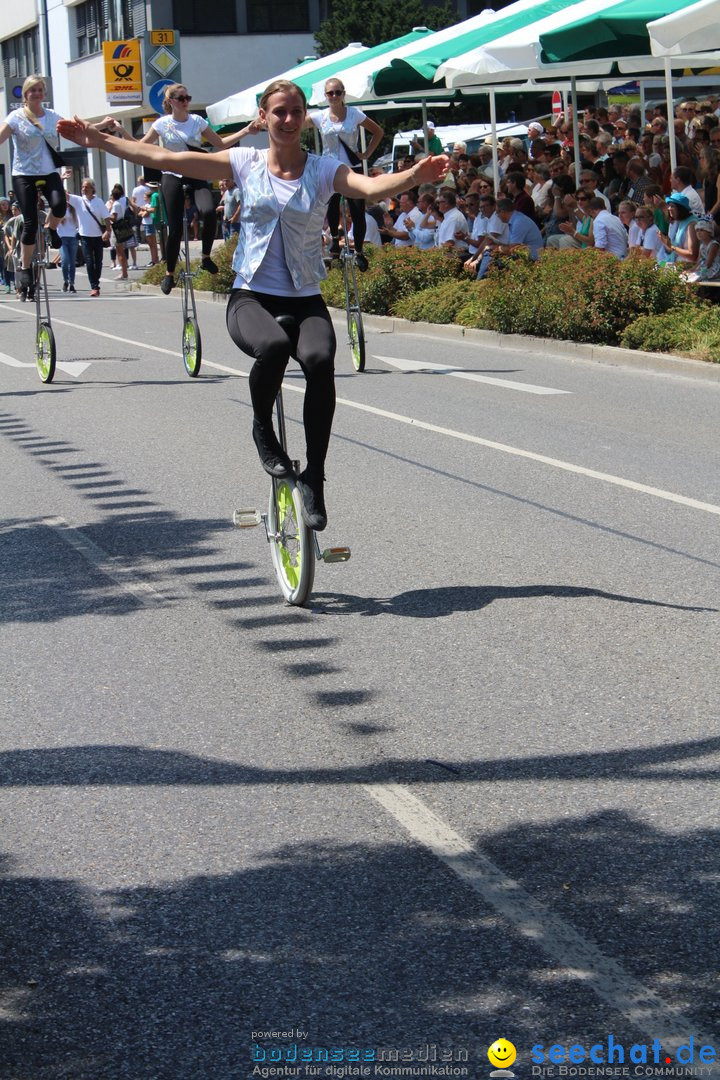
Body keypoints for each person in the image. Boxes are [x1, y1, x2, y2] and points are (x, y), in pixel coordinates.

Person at [58, 80, 448, 532]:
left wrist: (413, 177)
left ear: (306, 118)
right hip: (251, 297)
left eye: (295, 112)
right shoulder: (243, 162)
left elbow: (369, 187)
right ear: (263, 118)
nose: (287, 120)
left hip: (305, 297)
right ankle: (262, 428)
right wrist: (98, 140)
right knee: (277, 347)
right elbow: (162, 158)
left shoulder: (323, 170)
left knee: (320, 358)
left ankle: (315, 478)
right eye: (278, 112)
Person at [126, 84, 257, 295]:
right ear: (170, 102)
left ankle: (206, 257)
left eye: (188, 97)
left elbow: (220, 143)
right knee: (175, 226)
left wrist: (246, 130)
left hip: (195, 170)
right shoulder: (161, 124)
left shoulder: (196, 121)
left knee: (208, 211)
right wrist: (121, 132)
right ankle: (169, 273)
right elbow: (139, 147)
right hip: (171, 172)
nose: (186, 101)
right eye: (181, 98)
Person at [306, 78, 384, 273]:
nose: (333, 96)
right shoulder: (319, 117)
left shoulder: (354, 114)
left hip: (352, 167)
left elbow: (378, 131)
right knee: (330, 205)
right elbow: (295, 127)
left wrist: (366, 154)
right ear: (325, 96)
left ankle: (359, 251)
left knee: (357, 211)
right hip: (329, 167)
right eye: (330, 93)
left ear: (343, 94)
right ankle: (334, 238)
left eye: (337, 93)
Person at [0, 75, 66, 299]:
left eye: (40, 90)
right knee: (29, 223)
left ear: (44, 93)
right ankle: (25, 266)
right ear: (25, 95)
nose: (37, 93)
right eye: (33, 90)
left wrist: (101, 128)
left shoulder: (52, 116)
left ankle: (52, 228)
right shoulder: (16, 117)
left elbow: (77, 129)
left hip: (48, 172)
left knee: (59, 206)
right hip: (24, 174)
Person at [65, 177, 111, 296]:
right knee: (89, 262)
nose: (84, 189)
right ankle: (94, 286)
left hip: (98, 236)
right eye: (83, 187)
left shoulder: (98, 201)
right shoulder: (79, 200)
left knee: (98, 262)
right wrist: (61, 179)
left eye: (86, 187)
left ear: (92, 189)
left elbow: (106, 217)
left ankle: (96, 282)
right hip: (85, 236)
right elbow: (64, 195)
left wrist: (108, 231)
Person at [56, 200, 79, 292]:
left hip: (73, 237)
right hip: (62, 237)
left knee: (72, 262)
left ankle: (72, 283)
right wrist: (59, 219)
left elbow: (79, 223)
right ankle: (65, 281)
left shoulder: (74, 210)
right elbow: (51, 222)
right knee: (65, 260)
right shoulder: (57, 210)